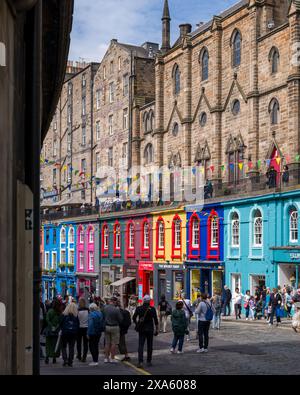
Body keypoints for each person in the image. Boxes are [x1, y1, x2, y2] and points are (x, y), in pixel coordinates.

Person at [133, 295, 159, 369]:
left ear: (144, 300)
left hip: (142, 329)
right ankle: (149, 361)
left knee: (141, 345)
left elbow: (134, 318)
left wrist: (137, 323)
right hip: (150, 329)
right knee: (149, 345)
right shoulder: (152, 309)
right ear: (149, 301)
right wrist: (157, 329)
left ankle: (140, 361)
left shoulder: (139, 308)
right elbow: (156, 320)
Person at [103, 297, 123, 364]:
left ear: (110, 301)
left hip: (106, 326)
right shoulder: (116, 310)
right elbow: (120, 319)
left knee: (107, 343)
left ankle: (106, 358)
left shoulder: (105, 308)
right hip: (115, 327)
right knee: (114, 343)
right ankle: (112, 358)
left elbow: (102, 317)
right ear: (114, 301)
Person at [60, 302, 80, 367]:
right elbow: (78, 325)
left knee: (64, 346)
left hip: (65, 333)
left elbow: (61, 323)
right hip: (73, 333)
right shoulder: (76, 316)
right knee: (71, 347)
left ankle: (65, 359)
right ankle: (70, 361)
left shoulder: (64, 315)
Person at [44, 299, 62, 364]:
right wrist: (56, 326)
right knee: (55, 344)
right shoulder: (59, 312)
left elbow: (47, 319)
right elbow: (60, 321)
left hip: (49, 331)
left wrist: (51, 326)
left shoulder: (50, 311)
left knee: (48, 344)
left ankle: (47, 357)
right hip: (57, 331)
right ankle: (54, 358)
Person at [76, 298, 89, 363]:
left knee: (78, 343)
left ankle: (79, 355)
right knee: (85, 343)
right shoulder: (88, 310)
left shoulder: (78, 310)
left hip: (79, 328)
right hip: (86, 328)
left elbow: (76, 320)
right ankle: (84, 357)